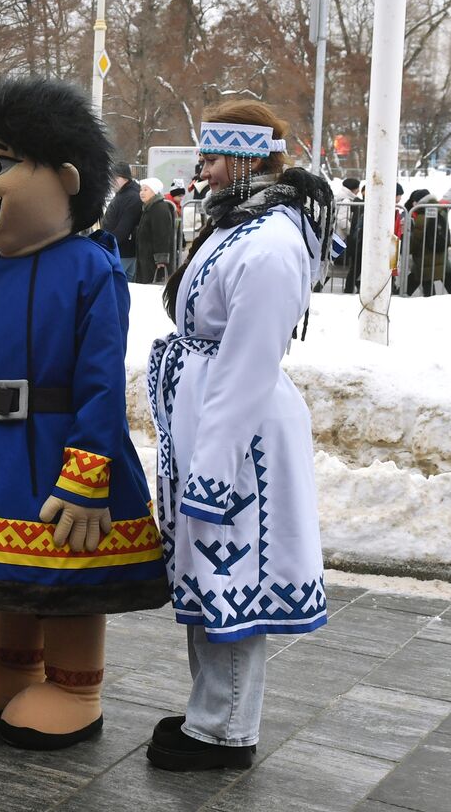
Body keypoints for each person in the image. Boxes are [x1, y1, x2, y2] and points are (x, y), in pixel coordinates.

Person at [0, 78, 167, 751]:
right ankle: (14, 664)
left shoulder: (91, 267)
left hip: (61, 450)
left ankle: (77, 685)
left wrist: (87, 475)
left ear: (65, 176)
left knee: (68, 569)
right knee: (12, 569)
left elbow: (100, 378)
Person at [147, 100, 331, 771]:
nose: (206, 170)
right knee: (208, 571)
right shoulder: (241, 227)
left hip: (241, 436)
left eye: (217, 158)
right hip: (215, 424)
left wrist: (215, 466)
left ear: (251, 157)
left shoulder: (272, 244)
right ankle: (212, 711)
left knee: (233, 578)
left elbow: (249, 364)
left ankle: (225, 729)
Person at [403, 187, 451, 297]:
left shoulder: (421, 217)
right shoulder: (439, 211)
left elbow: (416, 243)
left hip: (425, 262)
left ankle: (397, 297)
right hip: (440, 260)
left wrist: (408, 251)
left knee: (428, 293)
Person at [100, 162, 142, 280]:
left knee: (117, 282)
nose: (111, 182)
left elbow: (125, 226)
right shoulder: (125, 193)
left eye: (113, 178)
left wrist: (109, 244)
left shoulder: (131, 196)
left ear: (123, 177)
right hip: (119, 249)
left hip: (122, 251)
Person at [136, 176, 177, 284]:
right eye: (141, 189)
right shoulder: (149, 207)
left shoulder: (159, 208)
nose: (141, 192)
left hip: (154, 262)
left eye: (146, 189)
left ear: (154, 191)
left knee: (151, 288)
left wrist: (161, 260)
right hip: (147, 258)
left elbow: (162, 235)